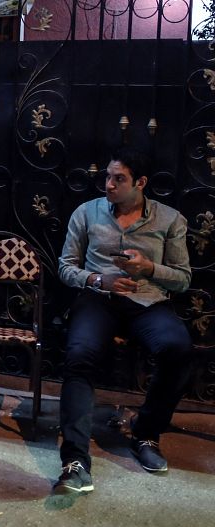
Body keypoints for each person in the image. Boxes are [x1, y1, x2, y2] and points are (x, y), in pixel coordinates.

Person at [53, 147, 193, 494]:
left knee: (178, 348)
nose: (109, 185)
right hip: (99, 299)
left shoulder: (170, 219)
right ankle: (75, 460)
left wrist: (149, 268)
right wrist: (100, 280)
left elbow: (183, 278)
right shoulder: (87, 213)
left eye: (119, 179)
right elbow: (65, 267)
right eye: (107, 177)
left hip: (147, 301)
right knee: (79, 355)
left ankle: (146, 434)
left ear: (140, 183)